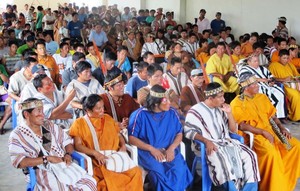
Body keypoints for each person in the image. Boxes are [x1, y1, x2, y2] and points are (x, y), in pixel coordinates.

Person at [8, 98, 97, 191]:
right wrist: (47, 159)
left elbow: (66, 141)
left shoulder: (49, 125)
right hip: (42, 170)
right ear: (26, 114)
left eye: (42, 111)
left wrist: (68, 154)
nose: (43, 115)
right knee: (61, 187)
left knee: (89, 183)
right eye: (39, 112)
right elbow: (19, 162)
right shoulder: (17, 135)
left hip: (63, 165)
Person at [184, 82, 260, 191]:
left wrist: (229, 114)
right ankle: (232, 189)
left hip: (226, 142)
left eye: (223, 96)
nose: (223, 100)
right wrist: (206, 141)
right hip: (207, 145)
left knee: (250, 155)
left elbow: (233, 130)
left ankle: (249, 189)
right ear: (210, 98)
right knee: (224, 161)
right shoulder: (195, 111)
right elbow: (189, 131)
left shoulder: (221, 108)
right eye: (220, 97)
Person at [230, 73, 300, 191]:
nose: (258, 86)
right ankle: (272, 186)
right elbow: (241, 125)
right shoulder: (237, 103)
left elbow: (272, 116)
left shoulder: (262, 97)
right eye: (255, 84)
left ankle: (285, 179)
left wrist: (281, 128)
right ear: (246, 88)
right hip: (255, 136)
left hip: (272, 130)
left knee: (295, 146)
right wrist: (262, 132)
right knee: (270, 153)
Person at [69, 94, 143, 191]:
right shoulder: (79, 123)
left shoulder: (108, 118)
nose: (102, 110)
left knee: (136, 172)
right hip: (98, 160)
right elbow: (78, 146)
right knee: (110, 181)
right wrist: (95, 153)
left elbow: (118, 135)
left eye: (103, 107)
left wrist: (123, 145)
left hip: (116, 157)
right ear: (88, 110)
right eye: (98, 108)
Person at [128, 85, 193, 191]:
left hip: (170, 149)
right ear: (155, 103)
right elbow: (131, 138)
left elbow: (179, 134)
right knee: (159, 173)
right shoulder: (139, 114)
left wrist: (171, 148)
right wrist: (151, 149)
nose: (169, 103)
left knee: (179, 170)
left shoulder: (172, 113)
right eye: (165, 101)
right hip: (148, 152)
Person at [240, 55, 286, 119]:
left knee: (280, 93)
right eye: (255, 61)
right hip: (255, 87)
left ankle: (279, 116)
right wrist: (261, 80)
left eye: (258, 61)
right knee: (266, 94)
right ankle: (269, 116)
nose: (257, 63)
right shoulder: (244, 69)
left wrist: (271, 81)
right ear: (249, 62)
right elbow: (246, 81)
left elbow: (271, 76)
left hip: (268, 86)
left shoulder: (262, 68)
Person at [269, 49, 300, 121]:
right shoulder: (273, 65)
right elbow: (271, 78)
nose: (286, 60)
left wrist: (297, 78)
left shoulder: (290, 65)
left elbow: (297, 75)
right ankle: (296, 117)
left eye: (287, 58)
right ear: (279, 57)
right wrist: (283, 79)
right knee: (295, 95)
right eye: (284, 58)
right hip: (283, 85)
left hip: (294, 84)